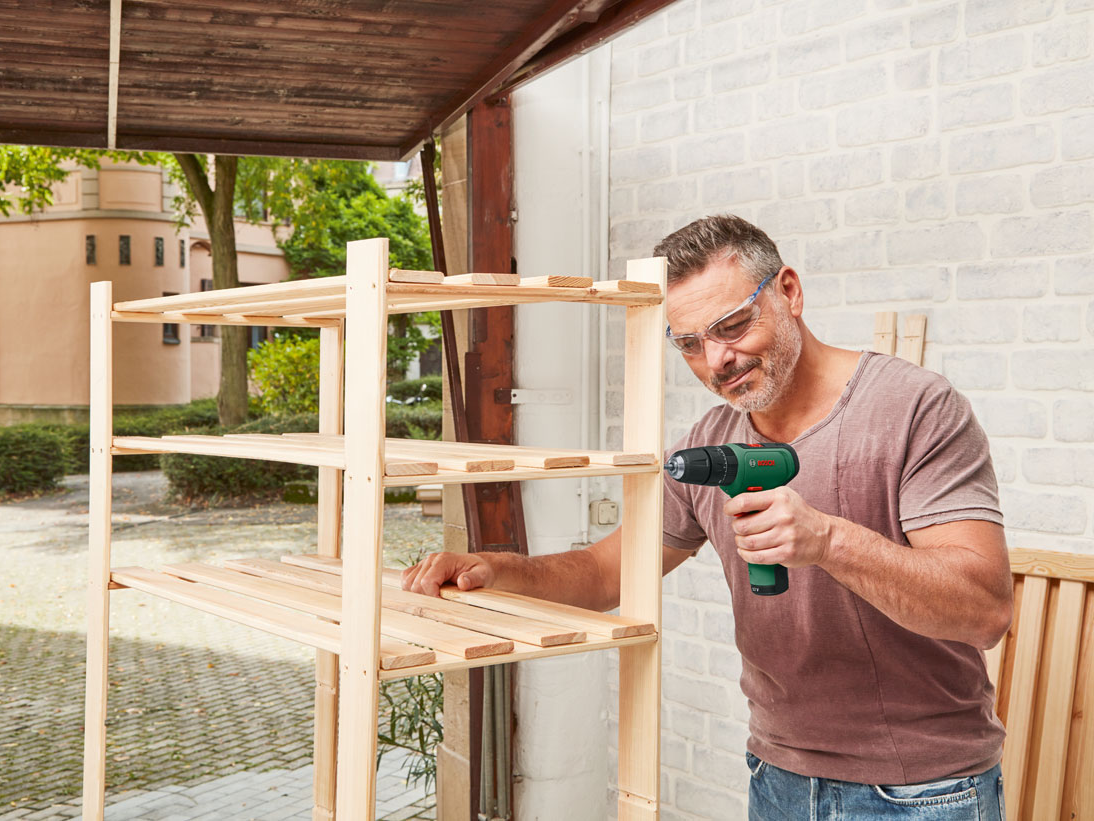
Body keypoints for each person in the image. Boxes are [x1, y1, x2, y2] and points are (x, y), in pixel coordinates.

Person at [401, 214, 1013, 819]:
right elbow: (605, 572)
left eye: (733, 326)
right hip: (777, 776)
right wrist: (495, 570)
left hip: (922, 790)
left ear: (789, 292)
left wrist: (827, 541)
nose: (717, 359)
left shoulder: (914, 407)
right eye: (690, 344)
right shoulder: (712, 443)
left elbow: (984, 612)